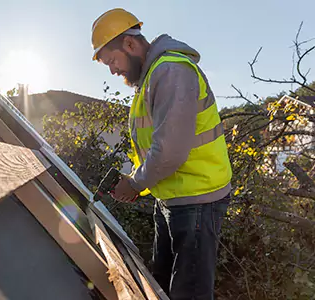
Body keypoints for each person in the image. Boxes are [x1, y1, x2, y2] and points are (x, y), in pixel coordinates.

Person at [91, 8, 232, 300]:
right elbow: (154, 149)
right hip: (172, 199)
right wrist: (135, 182)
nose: (113, 70)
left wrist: (134, 183)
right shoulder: (152, 78)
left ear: (130, 44)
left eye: (112, 61)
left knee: (187, 293)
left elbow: (170, 151)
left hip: (197, 200)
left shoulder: (171, 71)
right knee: (161, 287)